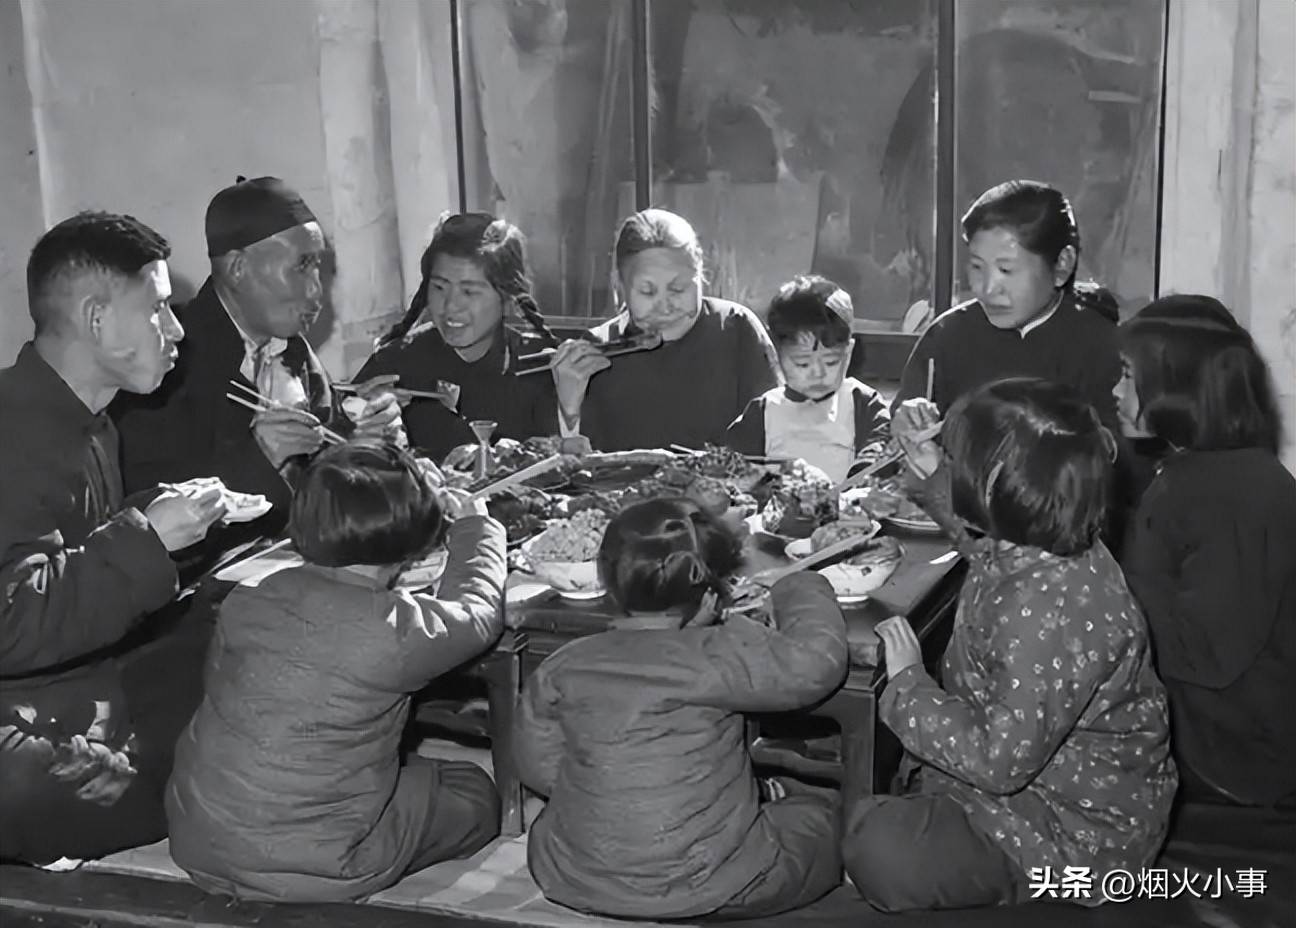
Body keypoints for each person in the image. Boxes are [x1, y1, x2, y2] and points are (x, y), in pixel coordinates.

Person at [843, 378, 1176, 912]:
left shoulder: (1053, 608)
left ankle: (1020, 884)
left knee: (875, 844)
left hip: (1073, 834)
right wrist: (935, 474)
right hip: (1038, 786)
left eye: (960, 461)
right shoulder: (1045, 539)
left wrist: (908, 684)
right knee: (888, 809)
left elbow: (999, 763)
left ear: (999, 482)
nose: (953, 468)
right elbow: (986, 549)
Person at [166, 440, 505, 902]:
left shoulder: (248, 596)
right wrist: (477, 529)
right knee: (475, 793)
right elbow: (477, 613)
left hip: (196, 838)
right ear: (415, 540)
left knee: (396, 770)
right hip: (324, 864)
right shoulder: (396, 631)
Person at [1, 212, 228, 866]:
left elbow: (75, 551)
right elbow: (11, 621)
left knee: (238, 632)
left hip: (78, 689)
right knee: (37, 789)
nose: (176, 328)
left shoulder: (93, 422)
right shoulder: (10, 428)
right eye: (157, 308)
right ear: (96, 319)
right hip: (17, 712)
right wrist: (146, 539)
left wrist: (153, 514)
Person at [515, 498, 846, 920]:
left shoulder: (563, 664)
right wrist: (801, 585)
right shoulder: (718, 652)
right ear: (709, 593)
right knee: (821, 821)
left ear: (609, 583)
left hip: (574, 877)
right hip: (719, 884)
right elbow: (815, 665)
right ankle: (770, 805)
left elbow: (537, 767)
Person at [112, 176, 403, 537]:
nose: (316, 292)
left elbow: (324, 454)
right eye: (302, 266)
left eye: (319, 267)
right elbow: (146, 507)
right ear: (238, 269)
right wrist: (259, 454)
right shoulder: (168, 361)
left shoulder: (292, 349)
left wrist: (362, 439)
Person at [1116, 295, 1296, 809]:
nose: (1116, 392)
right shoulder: (1202, 470)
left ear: (1177, 385)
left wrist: (1099, 591)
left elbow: (1203, 654)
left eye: (1127, 376)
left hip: (1227, 755)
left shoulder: (1232, 494)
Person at [892, 180, 1120, 432]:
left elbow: (1118, 449)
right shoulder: (947, 334)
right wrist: (904, 425)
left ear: (1062, 264)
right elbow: (896, 436)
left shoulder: (1102, 348)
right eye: (977, 267)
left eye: (1006, 270)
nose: (988, 289)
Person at [550, 209, 780, 451]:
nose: (665, 307)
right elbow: (572, 462)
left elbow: (779, 430)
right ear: (619, 285)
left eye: (678, 289)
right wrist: (568, 408)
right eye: (648, 292)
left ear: (700, 273)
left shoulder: (735, 328)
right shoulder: (597, 350)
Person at [356, 212, 561, 461]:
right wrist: (362, 430)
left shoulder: (538, 368)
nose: (450, 306)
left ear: (507, 296)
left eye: (469, 292)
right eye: (439, 287)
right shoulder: (394, 363)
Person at [725, 275, 889, 481]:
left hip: (847, 500)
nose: (818, 373)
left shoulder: (863, 404)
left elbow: (877, 461)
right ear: (776, 355)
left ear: (848, 353)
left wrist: (856, 483)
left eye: (831, 362)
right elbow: (735, 472)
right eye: (802, 364)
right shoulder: (763, 412)